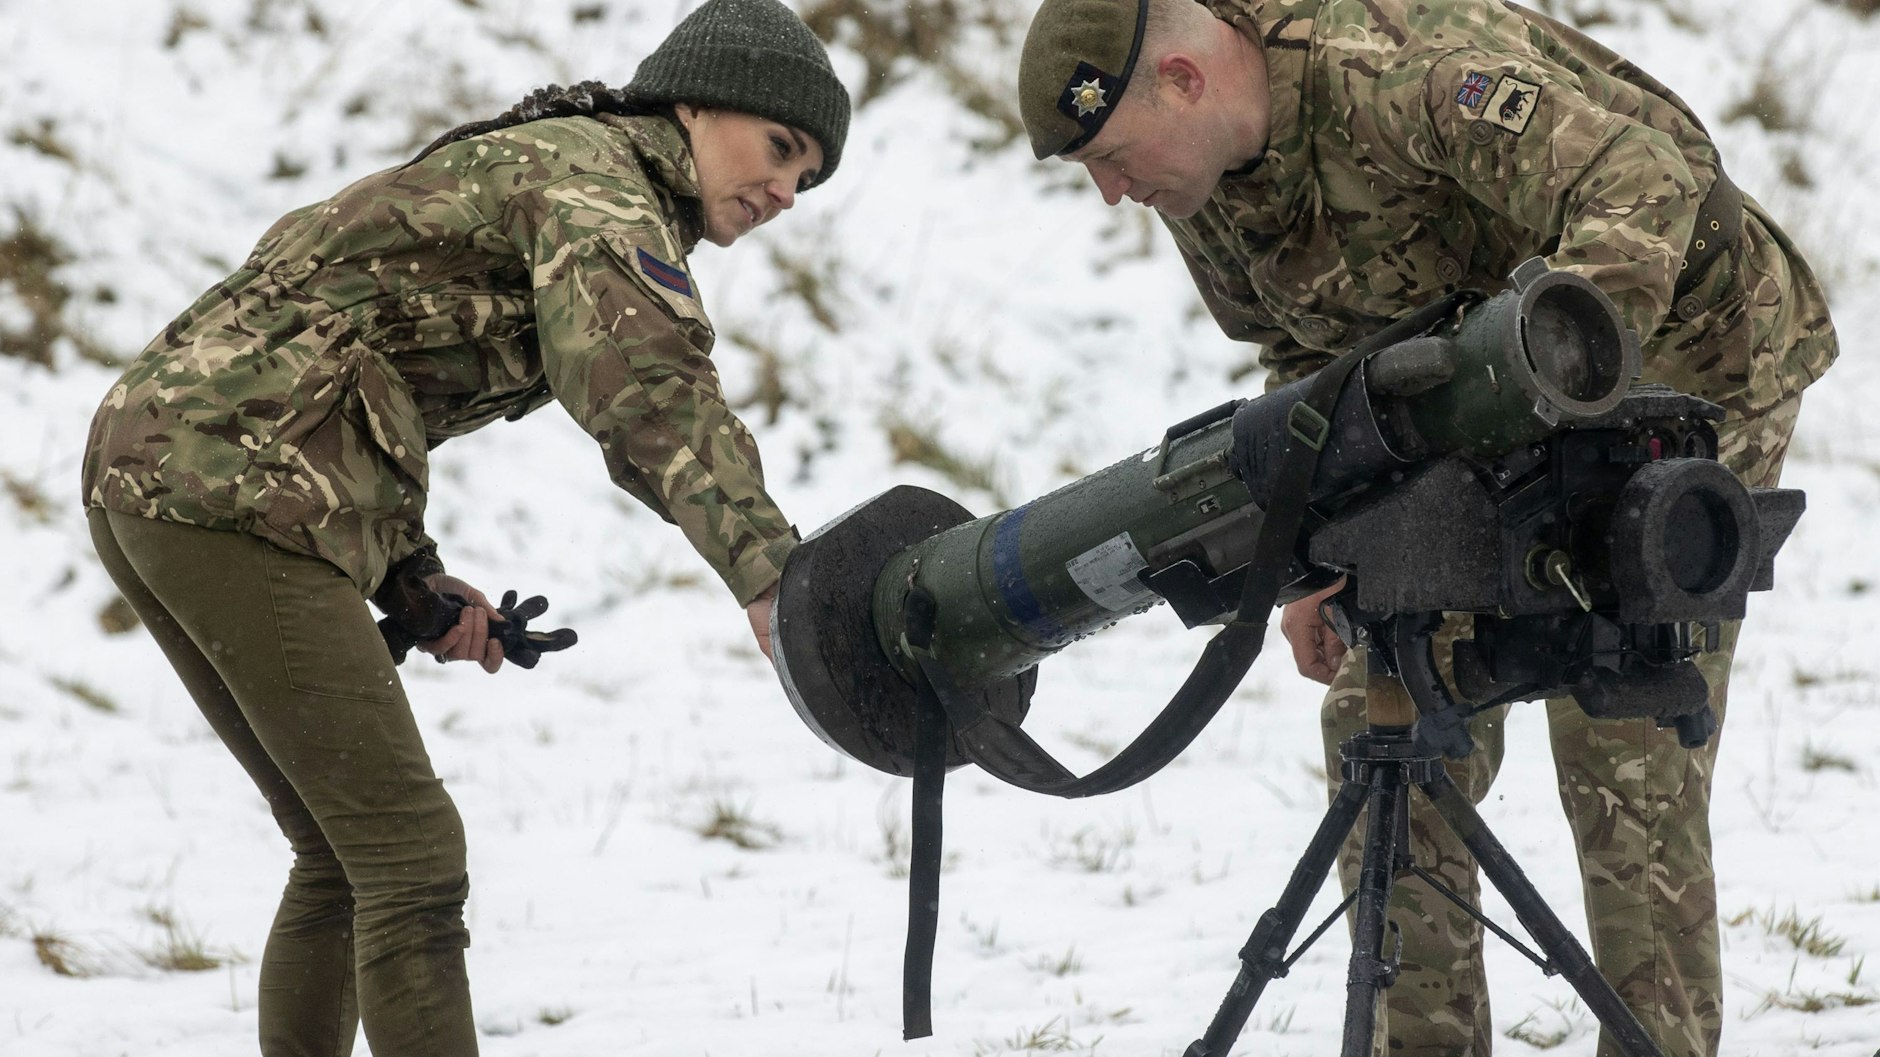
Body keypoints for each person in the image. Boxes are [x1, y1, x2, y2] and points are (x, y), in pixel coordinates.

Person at [1016, 0, 1836, 1054]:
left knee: (1619, 729)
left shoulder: (1396, 79)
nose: (1112, 190)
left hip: (1684, 349)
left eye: (1112, 156)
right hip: (1478, 402)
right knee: (1384, 719)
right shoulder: (1201, 180)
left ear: (1182, 79)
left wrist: (1552, 425)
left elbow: (1645, 183)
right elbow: (1299, 359)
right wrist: (1318, 550)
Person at [79, 0, 848, 1052]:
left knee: (344, 855)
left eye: (805, 177)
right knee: (408, 860)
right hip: (231, 486)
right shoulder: (594, 184)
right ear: (700, 100)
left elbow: (343, 366)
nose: (783, 191)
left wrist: (410, 580)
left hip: (171, 469)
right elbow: (644, 388)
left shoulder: (555, 164)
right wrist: (769, 571)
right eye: (779, 147)